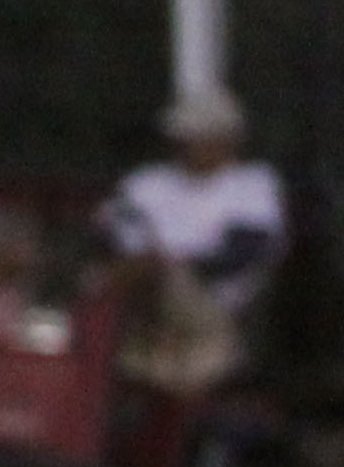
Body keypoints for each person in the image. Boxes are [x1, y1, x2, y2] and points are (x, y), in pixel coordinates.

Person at [99, 87, 288, 391]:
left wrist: (172, 264)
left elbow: (238, 257)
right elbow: (110, 236)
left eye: (199, 136)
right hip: (136, 294)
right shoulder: (147, 183)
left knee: (149, 273)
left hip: (211, 301)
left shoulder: (251, 186)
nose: (189, 145)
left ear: (227, 138)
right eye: (184, 136)